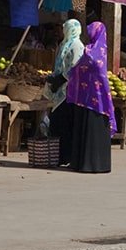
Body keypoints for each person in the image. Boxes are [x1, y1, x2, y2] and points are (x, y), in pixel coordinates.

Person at [62, 21, 115, 173]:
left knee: (90, 131)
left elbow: (81, 70)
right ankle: (87, 164)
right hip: (96, 98)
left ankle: (92, 164)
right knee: (90, 130)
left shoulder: (92, 51)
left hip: (89, 98)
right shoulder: (99, 50)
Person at [47, 19, 85, 160]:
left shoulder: (77, 46)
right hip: (60, 89)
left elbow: (75, 68)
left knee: (66, 124)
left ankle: (66, 155)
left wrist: (61, 79)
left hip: (69, 90)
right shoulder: (64, 44)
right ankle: (59, 155)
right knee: (57, 122)